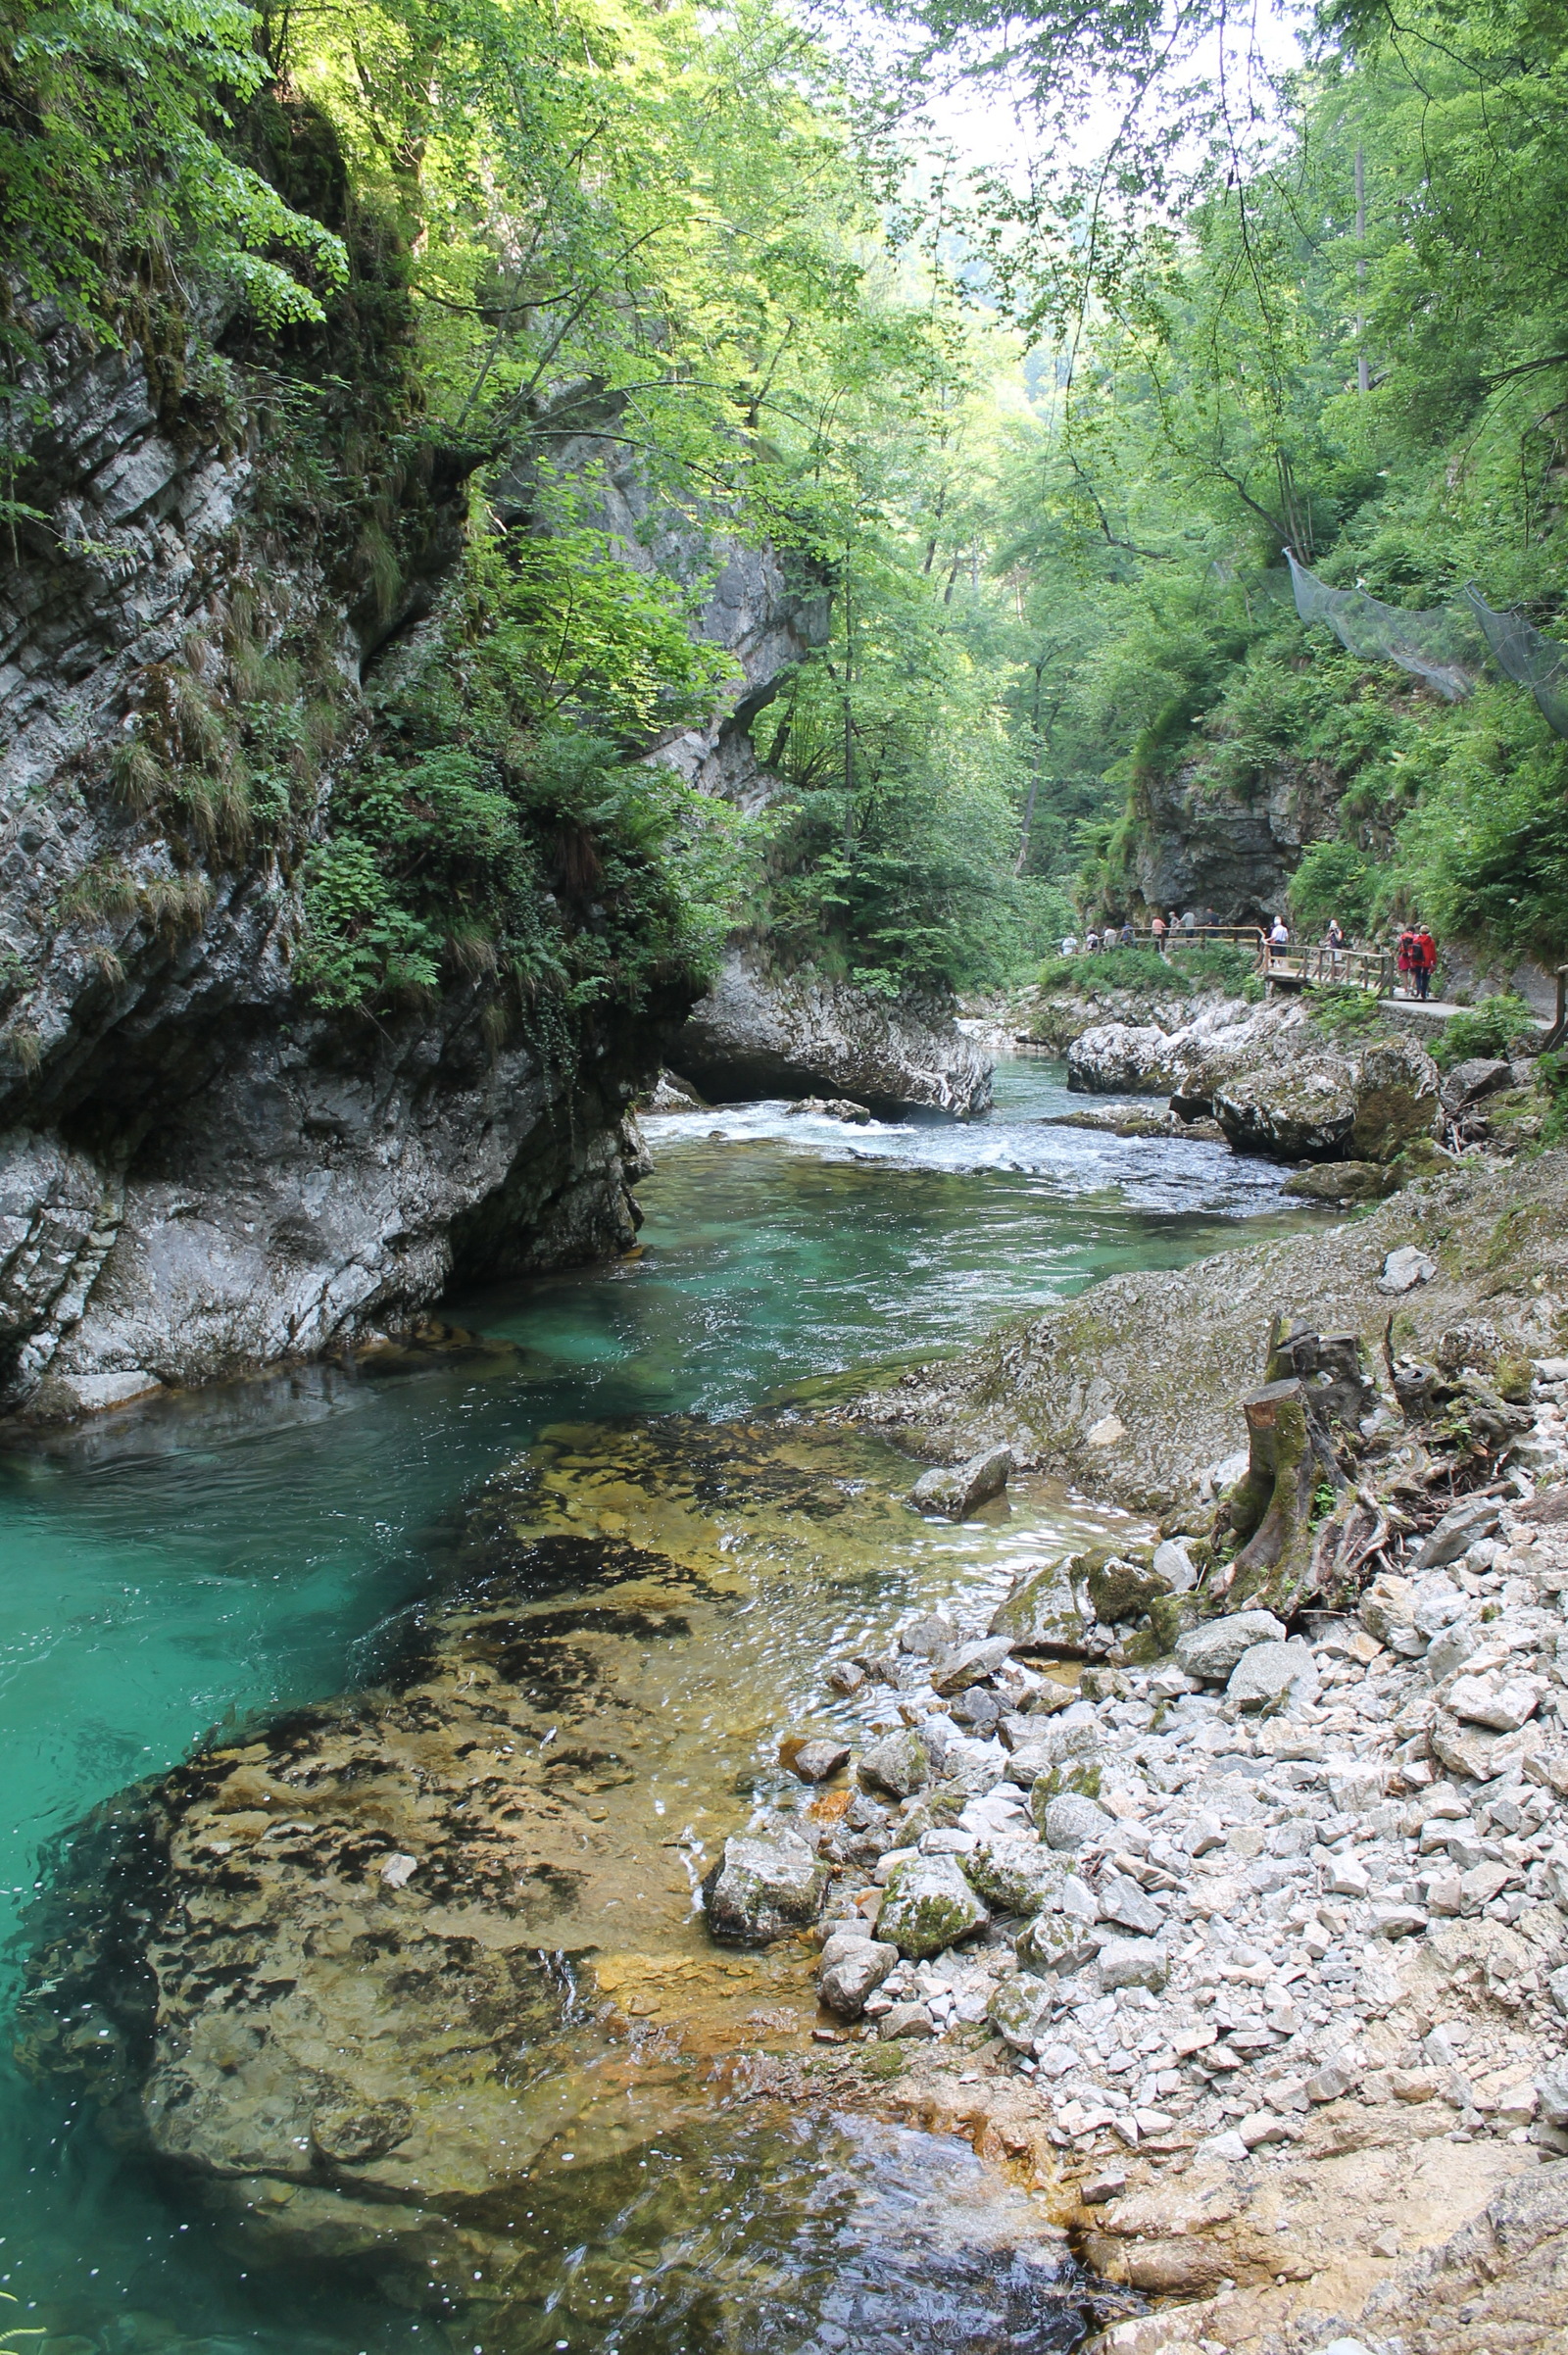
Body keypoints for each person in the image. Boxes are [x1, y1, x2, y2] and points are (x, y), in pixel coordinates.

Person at [1414, 922, 1437, 1002]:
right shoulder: (1431, 941)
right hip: (1427, 961)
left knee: (1418, 975)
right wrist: (1434, 962)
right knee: (1424, 977)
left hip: (1418, 960)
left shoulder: (1416, 939)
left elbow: (1414, 950)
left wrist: (1412, 960)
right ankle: (1423, 993)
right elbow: (1433, 952)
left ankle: (1418, 991)